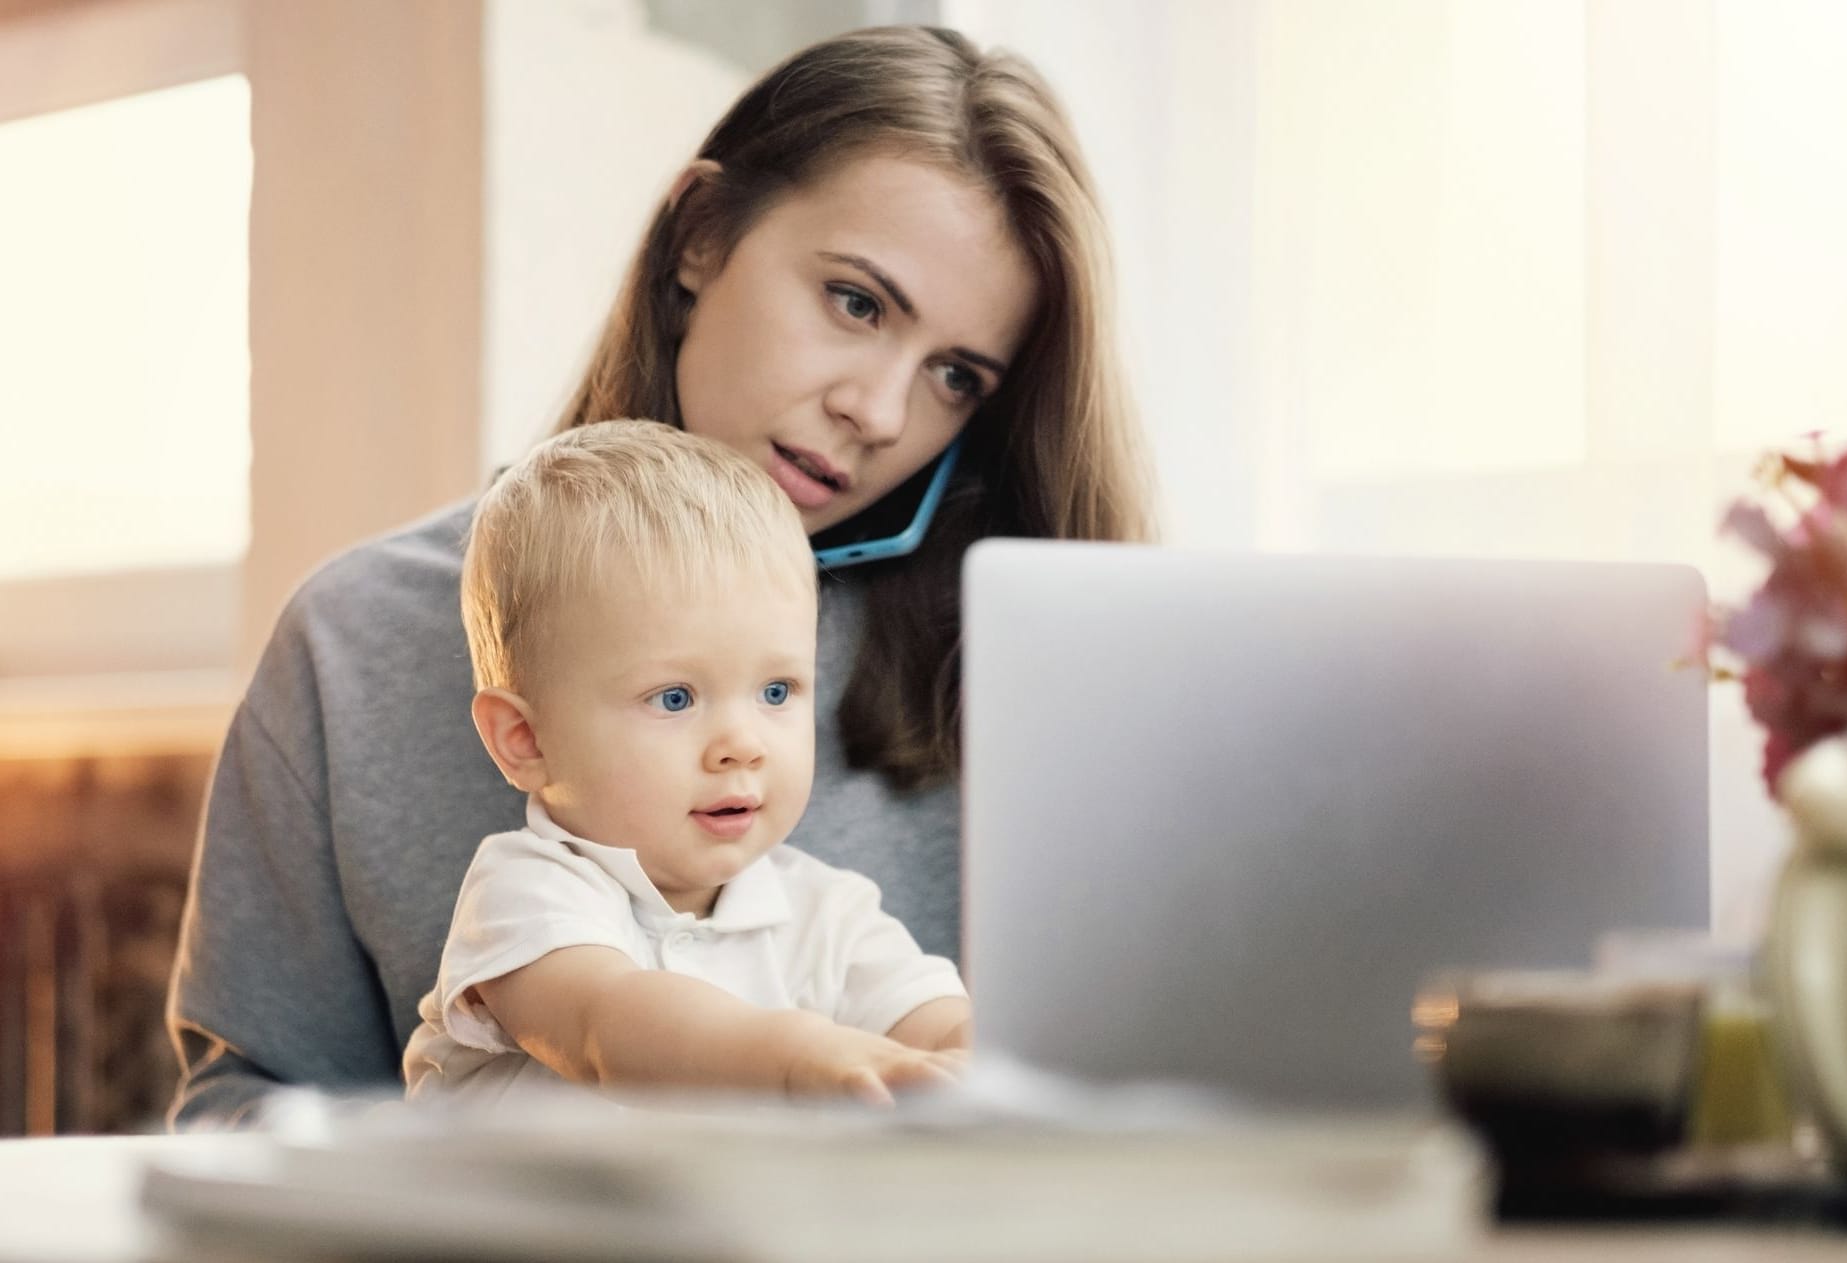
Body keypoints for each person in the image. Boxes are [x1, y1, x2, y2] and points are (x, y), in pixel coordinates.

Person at [167, 24, 1151, 1129]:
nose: (878, 412)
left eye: (957, 376)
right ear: (699, 236)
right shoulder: (352, 642)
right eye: (857, 302)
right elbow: (243, 1119)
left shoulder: (1019, 667)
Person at [403, 421, 969, 1106]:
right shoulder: (527, 891)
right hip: (502, 1214)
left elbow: (940, 1024)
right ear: (525, 738)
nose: (743, 743)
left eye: (776, 691)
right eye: (675, 697)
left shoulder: (827, 913)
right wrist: (797, 1058)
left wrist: (982, 1062)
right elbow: (606, 1025)